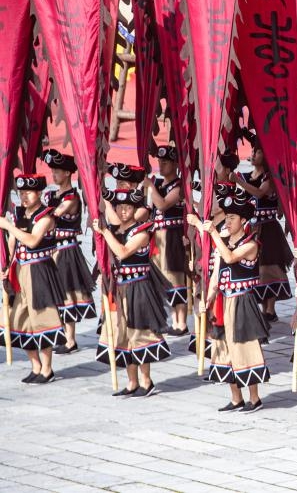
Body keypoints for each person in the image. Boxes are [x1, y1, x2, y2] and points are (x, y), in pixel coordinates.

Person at [188, 190, 270, 412]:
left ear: (243, 220)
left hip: (243, 301)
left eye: (233, 218)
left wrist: (213, 232)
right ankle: (236, 398)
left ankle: (254, 398)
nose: (229, 221)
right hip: (224, 300)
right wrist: (209, 296)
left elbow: (230, 257)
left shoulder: (251, 243)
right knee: (223, 348)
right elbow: (217, 272)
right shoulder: (222, 240)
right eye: (228, 217)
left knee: (244, 347)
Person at [92, 188, 171, 396]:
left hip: (138, 288)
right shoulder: (115, 230)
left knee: (140, 334)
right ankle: (132, 382)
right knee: (123, 334)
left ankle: (146, 382)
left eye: (128, 207)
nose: (123, 211)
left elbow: (123, 252)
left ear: (135, 210)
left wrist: (105, 232)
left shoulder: (141, 232)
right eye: (120, 207)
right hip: (118, 288)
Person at [0, 174, 65, 382]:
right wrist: (6, 265)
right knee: (20, 318)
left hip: (39, 270)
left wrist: (9, 226)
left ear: (39, 193)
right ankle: (35, 366)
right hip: (20, 270)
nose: (24, 197)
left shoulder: (45, 216)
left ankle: (47, 369)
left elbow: (32, 240)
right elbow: (13, 244)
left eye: (28, 192)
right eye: (21, 193)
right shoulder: (20, 214)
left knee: (42, 318)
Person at [41, 150, 96, 354]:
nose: (53, 174)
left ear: (67, 173)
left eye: (57, 171)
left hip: (66, 251)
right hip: (52, 250)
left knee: (67, 293)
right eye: (53, 170)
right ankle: (63, 334)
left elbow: (53, 216)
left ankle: (71, 339)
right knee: (57, 293)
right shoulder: (50, 195)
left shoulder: (71, 197)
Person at [234, 139, 293, 321]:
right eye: (254, 151)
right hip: (251, 227)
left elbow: (260, 193)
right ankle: (262, 306)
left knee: (271, 265)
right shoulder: (244, 176)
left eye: (258, 152)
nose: (254, 154)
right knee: (256, 266)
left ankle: (270, 308)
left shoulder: (270, 179)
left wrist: (239, 183)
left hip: (268, 227)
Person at [144, 145, 190, 336]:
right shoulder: (159, 184)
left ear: (175, 164)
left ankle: (181, 322)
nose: (161, 165)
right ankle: (172, 319)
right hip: (158, 235)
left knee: (175, 275)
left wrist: (150, 187)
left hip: (172, 235)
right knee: (161, 275)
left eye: (165, 162)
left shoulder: (178, 186)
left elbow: (162, 205)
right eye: (159, 162)